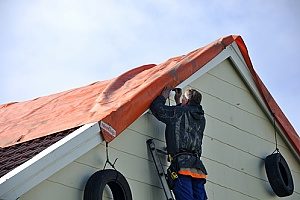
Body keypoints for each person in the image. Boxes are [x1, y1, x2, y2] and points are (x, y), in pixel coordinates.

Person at [150, 87, 208, 200]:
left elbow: (157, 109)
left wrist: (163, 96)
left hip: (182, 166)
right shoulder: (201, 118)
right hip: (197, 168)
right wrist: (178, 102)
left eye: (183, 99)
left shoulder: (179, 112)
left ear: (186, 101)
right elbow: (184, 120)